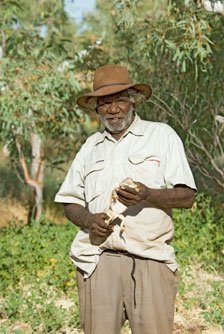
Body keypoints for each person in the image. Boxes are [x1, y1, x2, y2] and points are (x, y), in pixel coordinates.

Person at [55, 64, 196, 334]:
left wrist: (148, 194)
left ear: (133, 100)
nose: (113, 109)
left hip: (150, 259)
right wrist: (89, 219)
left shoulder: (161, 135)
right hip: (99, 259)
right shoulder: (90, 147)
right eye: (104, 103)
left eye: (119, 99)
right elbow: (69, 203)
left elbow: (187, 196)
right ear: (96, 108)